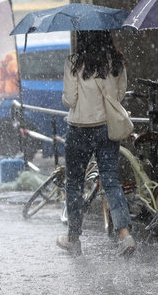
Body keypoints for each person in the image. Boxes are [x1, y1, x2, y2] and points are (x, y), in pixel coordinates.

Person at [57, 30, 135, 256]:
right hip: (105, 128)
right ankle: (125, 235)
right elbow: (119, 95)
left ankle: (73, 237)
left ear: (82, 38)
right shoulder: (116, 61)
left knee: (74, 183)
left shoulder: (74, 62)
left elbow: (70, 100)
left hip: (79, 129)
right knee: (110, 181)